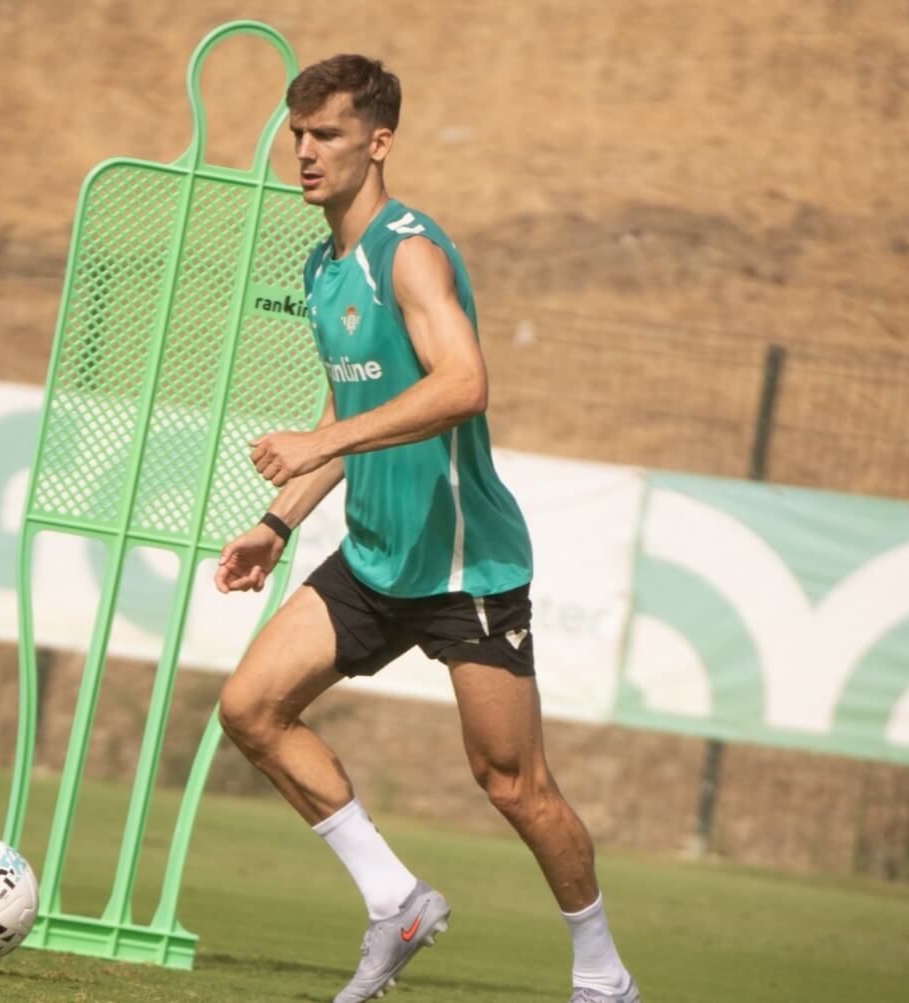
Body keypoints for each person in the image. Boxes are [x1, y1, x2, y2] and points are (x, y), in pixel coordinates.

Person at [214, 54, 640, 1003]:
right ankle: (394, 898)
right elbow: (355, 403)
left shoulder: (409, 250)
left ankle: (604, 976)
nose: (305, 152)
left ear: (379, 142)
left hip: (463, 567)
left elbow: (462, 385)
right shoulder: (321, 269)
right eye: (297, 134)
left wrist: (324, 435)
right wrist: (277, 523)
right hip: (373, 557)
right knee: (250, 709)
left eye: (325, 134)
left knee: (512, 784)